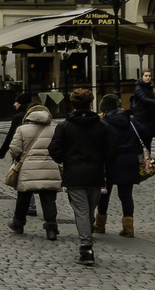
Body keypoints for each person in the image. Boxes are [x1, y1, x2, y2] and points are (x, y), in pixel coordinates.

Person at [46, 88, 116, 266]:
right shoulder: (102, 126)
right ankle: (86, 243)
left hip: (75, 174)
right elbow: (111, 150)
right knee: (88, 211)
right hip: (95, 174)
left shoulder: (65, 126)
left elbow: (54, 149)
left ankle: (86, 248)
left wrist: (65, 159)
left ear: (73, 104)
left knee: (83, 212)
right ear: (91, 104)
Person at [6, 102, 60, 239]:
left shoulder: (22, 129)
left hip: (27, 168)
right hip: (49, 167)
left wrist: (18, 158)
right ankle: (51, 228)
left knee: (23, 196)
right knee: (48, 198)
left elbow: (14, 149)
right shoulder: (55, 130)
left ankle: (18, 223)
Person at [94, 92, 143, 237]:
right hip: (129, 161)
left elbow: (100, 145)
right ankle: (128, 228)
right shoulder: (131, 122)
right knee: (126, 195)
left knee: (104, 194)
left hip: (110, 162)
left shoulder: (103, 124)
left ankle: (100, 225)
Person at [131, 70, 155, 157]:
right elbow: (144, 99)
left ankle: (147, 163)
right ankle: (142, 162)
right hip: (141, 120)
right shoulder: (138, 88)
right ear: (142, 77)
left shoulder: (150, 87)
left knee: (148, 143)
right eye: (146, 76)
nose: (148, 78)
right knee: (141, 144)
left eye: (149, 76)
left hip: (150, 120)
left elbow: (151, 99)